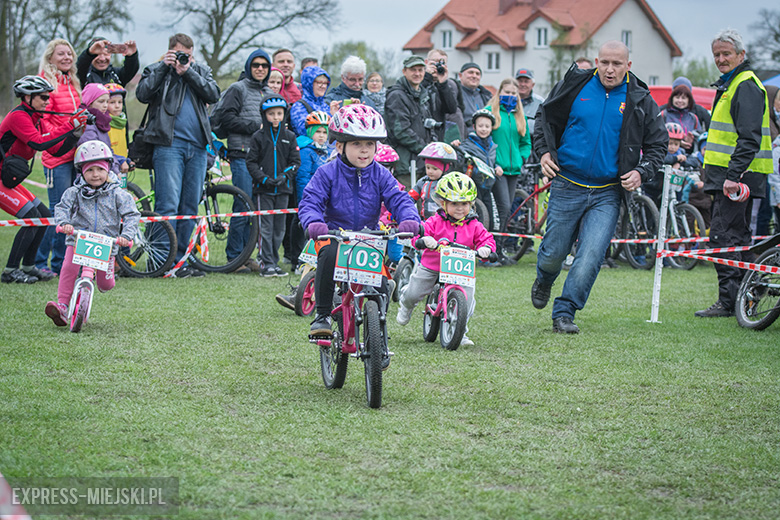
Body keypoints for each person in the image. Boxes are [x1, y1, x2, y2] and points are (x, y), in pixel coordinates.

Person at [530, 40, 667, 333]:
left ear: (628, 66)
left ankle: (565, 311)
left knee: (591, 255)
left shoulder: (640, 99)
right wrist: (543, 152)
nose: (609, 69)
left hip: (608, 191)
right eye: (604, 62)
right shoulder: (575, 85)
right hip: (567, 182)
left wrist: (642, 172)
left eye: (617, 64)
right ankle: (544, 277)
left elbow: (658, 145)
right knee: (553, 252)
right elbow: (543, 119)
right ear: (596, 61)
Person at [298, 104, 420, 337]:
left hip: (368, 237)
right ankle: (322, 314)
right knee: (329, 255)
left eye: (369, 144)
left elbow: (399, 198)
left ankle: (378, 333)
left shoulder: (381, 174)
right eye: (356, 144)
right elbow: (311, 201)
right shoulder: (326, 172)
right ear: (339, 146)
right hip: (333, 235)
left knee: (381, 287)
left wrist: (409, 219)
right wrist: (314, 222)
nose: (364, 151)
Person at [696, 29, 773, 318]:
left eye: (726, 53)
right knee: (736, 236)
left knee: (723, 236)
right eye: (716, 54)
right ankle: (748, 294)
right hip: (728, 176)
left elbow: (749, 137)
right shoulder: (732, 84)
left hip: (737, 177)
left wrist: (733, 175)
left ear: (742, 55)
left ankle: (729, 301)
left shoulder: (745, 84)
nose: (720, 59)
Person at [135, 33, 221, 278]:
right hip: (168, 144)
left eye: (189, 54)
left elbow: (213, 94)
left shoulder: (200, 70)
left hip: (197, 147)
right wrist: (166, 67)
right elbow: (143, 94)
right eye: (180, 54)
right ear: (170, 52)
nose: (185, 58)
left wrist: (188, 71)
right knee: (168, 204)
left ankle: (181, 260)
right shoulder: (156, 69)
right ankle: (161, 261)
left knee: (189, 206)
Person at [44, 140, 140, 326]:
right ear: (82, 171)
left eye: (100, 170)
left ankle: (102, 275)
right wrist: (64, 223)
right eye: (89, 170)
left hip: (107, 243)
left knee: (106, 285)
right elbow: (62, 208)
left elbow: (132, 214)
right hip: (79, 239)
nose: (95, 175)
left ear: (108, 170)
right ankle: (63, 306)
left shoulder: (118, 194)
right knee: (69, 268)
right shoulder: (74, 192)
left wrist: (126, 236)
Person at [396, 172, 496, 347]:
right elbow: (421, 232)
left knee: (468, 299)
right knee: (414, 292)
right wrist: (423, 240)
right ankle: (406, 303)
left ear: (471, 204)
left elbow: (486, 239)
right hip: (432, 265)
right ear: (443, 203)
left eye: (464, 204)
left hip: (461, 269)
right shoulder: (435, 221)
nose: (460, 208)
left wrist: (486, 249)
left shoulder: (474, 224)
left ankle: (461, 331)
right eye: (454, 204)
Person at [1, 76, 84, 284]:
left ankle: (29, 266)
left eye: (48, 97)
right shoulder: (19, 116)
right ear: (27, 97)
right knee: (31, 216)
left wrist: (74, 134)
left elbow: (54, 150)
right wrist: (69, 124)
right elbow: (38, 143)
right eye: (43, 97)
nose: (48, 101)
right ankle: (10, 271)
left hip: (7, 178)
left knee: (44, 216)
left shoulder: (35, 118)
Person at [215, 48, 274, 273]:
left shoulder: (269, 91)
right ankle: (234, 257)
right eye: (256, 65)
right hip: (241, 153)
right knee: (242, 202)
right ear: (249, 67)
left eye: (264, 66)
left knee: (256, 207)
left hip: (264, 157)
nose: (260, 69)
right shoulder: (237, 89)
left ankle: (247, 255)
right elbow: (226, 118)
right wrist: (256, 127)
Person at [35, 38, 83, 277]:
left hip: (76, 156)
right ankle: (40, 262)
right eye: (61, 54)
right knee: (57, 211)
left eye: (69, 54)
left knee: (71, 212)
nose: (67, 58)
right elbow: (45, 124)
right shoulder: (46, 83)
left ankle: (62, 264)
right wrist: (68, 129)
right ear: (51, 57)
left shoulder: (73, 82)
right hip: (57, 157)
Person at [246, 94, 301, 277]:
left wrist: (284, 177)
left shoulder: (290, 137)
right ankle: (265, 261)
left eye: (279, 113)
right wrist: (264, 179)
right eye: (271, 114)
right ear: (264, 115)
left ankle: (274, 261)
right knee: (266, 227)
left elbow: (295, 162)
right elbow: (251, 162)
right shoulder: (258, 137)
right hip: (264, 190)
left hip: (284, 189)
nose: (276, 117)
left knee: (280, 229)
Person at [385, 55, 458, 181]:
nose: (417, 73)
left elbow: (450, 109)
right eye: (413, 70)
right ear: (404, 71)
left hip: (422, 164)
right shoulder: (397, 95)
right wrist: (426, 149)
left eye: (420, 70)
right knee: (408, 200)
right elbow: (401, 131)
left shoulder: (422, 94)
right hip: (406, 164)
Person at [486, 78, 532, 259]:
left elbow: (525, 142)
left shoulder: (520, 117)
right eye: (507, 92)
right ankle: (494, 249)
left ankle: (500, 249)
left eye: (514, 93)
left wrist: (521, 157)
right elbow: (484, 137)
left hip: (514, 170)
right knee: (503, 207)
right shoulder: (491, 112)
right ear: (500, 93)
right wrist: (493, 161)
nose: (510, 96)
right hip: (497, 169)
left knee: (508, 211)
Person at [409, 142, 458, 219]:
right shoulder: (422, 182)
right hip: (426, 221)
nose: (430, 171)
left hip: (443, 221)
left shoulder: (448, 183)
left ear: (445, 168)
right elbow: (411, 197)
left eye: (435, 169)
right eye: (428, 168)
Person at [426, 49, 465, 141]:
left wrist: (443, 83)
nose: (437, 66)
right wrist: (427, 77)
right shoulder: (419, 82)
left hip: (439, 134)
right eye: (434, 62)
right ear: (426, 62)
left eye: (441, 63)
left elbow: (451, 109)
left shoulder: (446, 85)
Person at [290, 66, 331, 136]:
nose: (323, 86)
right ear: (308, 84)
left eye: (325, 83)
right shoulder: (299, 106)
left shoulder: (326, 106)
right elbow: (306, 132)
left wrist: (335, 115)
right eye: (319, 82)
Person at [660, 84, 702, 153]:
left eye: (683, 98)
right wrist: (678, 142)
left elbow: (700, 139)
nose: (680, 101)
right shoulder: (663, 115)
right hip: (667, 155)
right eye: (677, 97)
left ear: (689, 100)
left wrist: (691, 141)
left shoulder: (693, 118)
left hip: (688, 156)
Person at [457, 63, 492, 134]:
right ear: (460, 76)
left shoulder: (486, 96)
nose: (474, 76)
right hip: (461, 139)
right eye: (470, 72)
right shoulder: (455, 93)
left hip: (482, 140)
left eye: (477, 74)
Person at [104, 83, 131, 175]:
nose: (117, 106)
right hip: (110, 166)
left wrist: (127, 160)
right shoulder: (105, 123)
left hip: (122, 165)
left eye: (120, 102)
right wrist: (120, 160)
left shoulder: (121, 121)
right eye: (112, 102)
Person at [514, 68, 545, 136]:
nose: (522, 84)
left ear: (532, 85)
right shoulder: (507, 101)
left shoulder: (540, 103)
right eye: (520, 81)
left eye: (526, 81)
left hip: (532, 142)